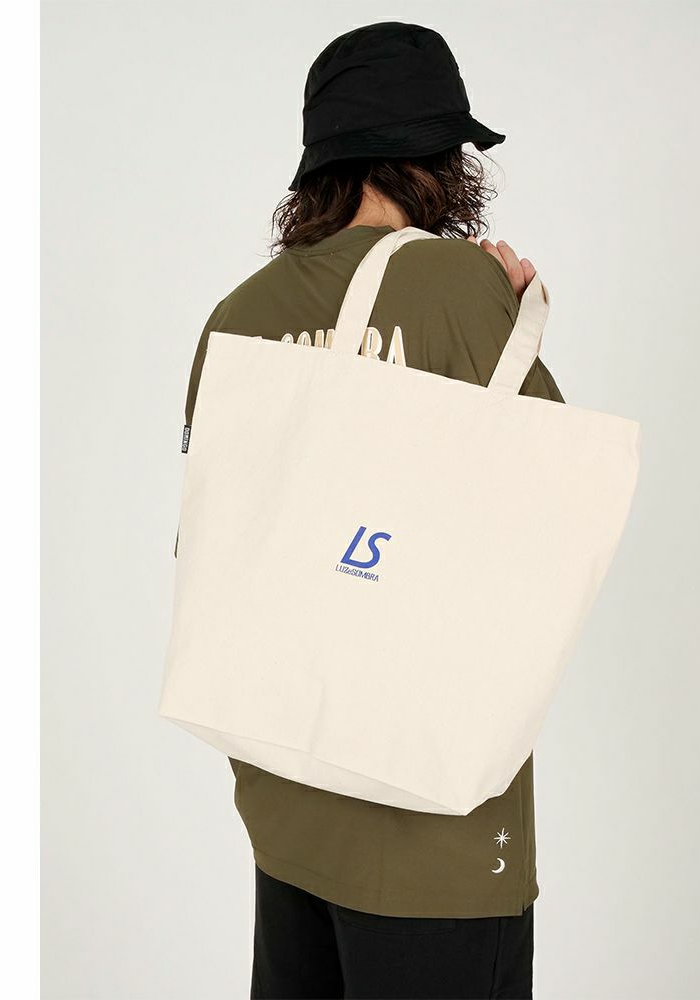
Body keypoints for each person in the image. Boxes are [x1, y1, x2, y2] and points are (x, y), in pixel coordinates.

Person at [182, 22, 563, 1000]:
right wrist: (514, 319)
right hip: (434, 833)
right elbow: (556, 516)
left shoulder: (238, 315)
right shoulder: (461, 285)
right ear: (435, 159)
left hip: (286, 807)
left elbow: (210, 548)